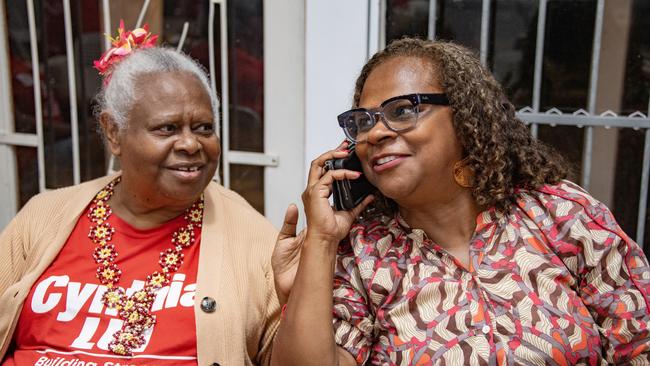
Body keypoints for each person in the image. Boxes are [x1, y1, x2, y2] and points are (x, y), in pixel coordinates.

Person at [272, 38, 650, 365]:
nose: (376, 133)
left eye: (402, 110)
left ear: (466, 117)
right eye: (364, 121)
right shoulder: (362, 254)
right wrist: (321, 244)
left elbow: (639, 343)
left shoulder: (559, 214)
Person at [0, 23, 288, 366]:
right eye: (167, 128)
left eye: (204, 127)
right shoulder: (43, 216)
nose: (190, 144)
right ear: (114, 133)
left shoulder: (253, 240)